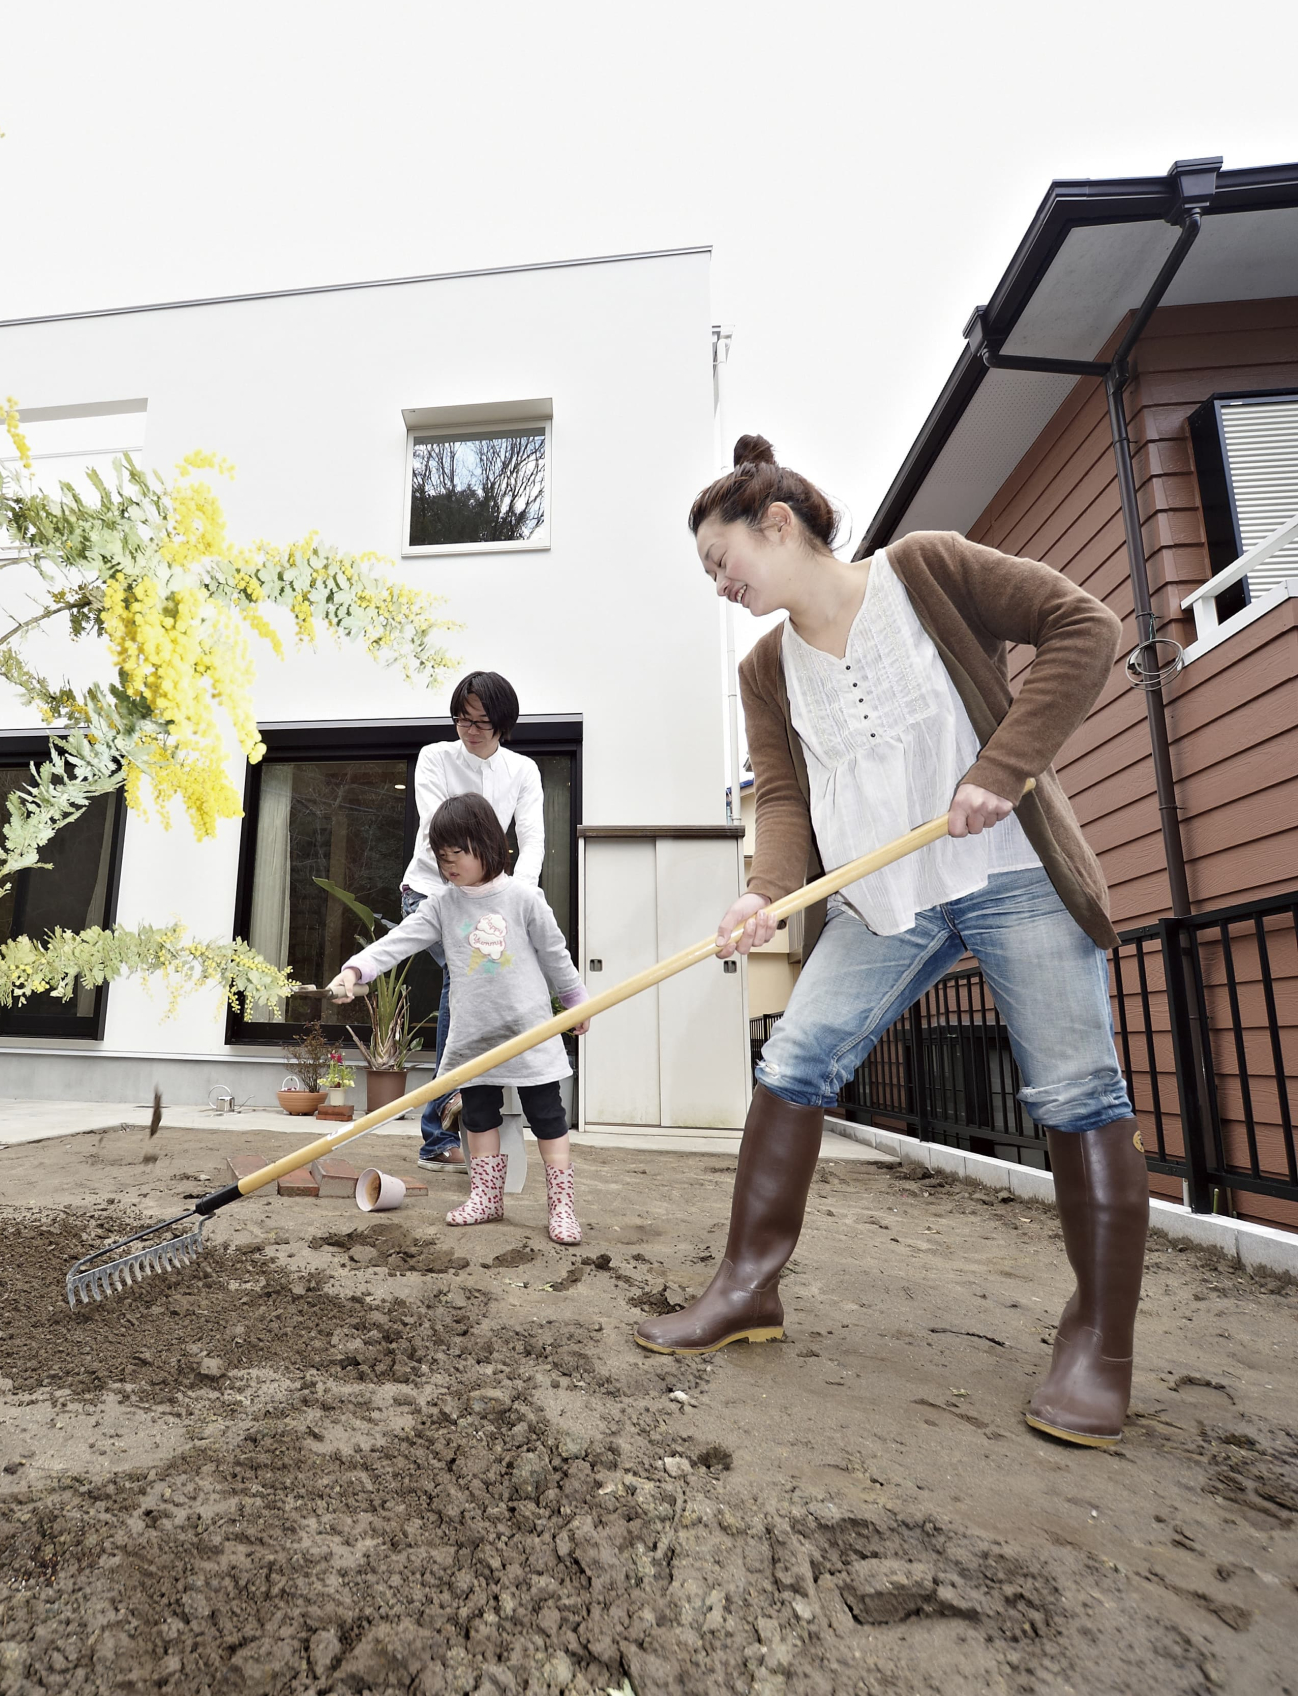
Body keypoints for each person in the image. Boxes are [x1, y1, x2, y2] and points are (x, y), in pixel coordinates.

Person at [634, 433, 1150, 1452]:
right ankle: (747, 1289)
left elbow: (1083, 627)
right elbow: (783, 796)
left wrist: (1002, 770)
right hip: (884, 901)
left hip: (1008, 877)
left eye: (720, 559)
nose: (719, 583)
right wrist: (767, 891)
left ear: (777, 525)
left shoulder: (928, 570)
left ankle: (1099, 1342)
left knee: (1074, 1093)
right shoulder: (767, 667)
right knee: (795, 1058)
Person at [329, 792, 589, 1244]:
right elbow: (399, 941)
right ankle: (487, 1197)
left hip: (530, 1033)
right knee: (478, 1116)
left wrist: (575, 1001)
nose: (449, 865)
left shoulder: (524, 897)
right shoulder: (443, 905)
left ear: (487, 844)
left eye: (458, 854)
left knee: (548, 1116)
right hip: (474, 1037)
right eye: (442, 856)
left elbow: (555, 954)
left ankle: (562, 1207)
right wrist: (355, 969)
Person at [400, 670, 546, 1168]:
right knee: (462, 988)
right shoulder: (435, 759)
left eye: (482, 721)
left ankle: (463, 1103)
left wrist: (515, 901)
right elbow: (441, 829)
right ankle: (441, 1128)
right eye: (463, 719)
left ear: (503, 723)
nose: (471, 730)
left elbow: (532, 841)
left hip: (489, 902)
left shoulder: (522, 771)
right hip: (431, 894)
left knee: (489, 984)